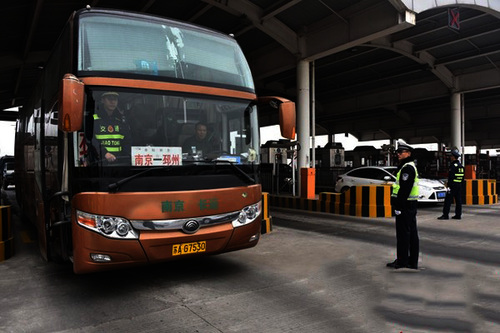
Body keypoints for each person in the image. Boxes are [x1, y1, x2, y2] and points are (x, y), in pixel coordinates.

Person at [387, 142, 419, 270]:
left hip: (405, 206)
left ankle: (402, 261)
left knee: (403, 235)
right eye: (398, 152)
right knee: (411, 234)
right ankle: (412, 261)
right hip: (410, 205)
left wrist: (398, 206)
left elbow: (405, 189)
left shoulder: (407, 168)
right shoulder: (409, 166)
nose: (399, 154)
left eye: (402, 152)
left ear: (409, 153)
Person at [92, 91, 130, 163]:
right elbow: (91, 139)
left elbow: (127, 141)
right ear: (102, 100)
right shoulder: (94, 120)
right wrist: (104, 153)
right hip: (99, 163)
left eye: (115, 99)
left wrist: (126, 159)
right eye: (109, 99)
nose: (112, 102)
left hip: (119, 162)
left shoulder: (120, 121)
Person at [438, 148, 465, 220]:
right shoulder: (461, 166)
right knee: (458, 200)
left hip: (453, 186)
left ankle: (445, 215)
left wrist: (448, 185)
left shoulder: (453, 166)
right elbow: (462, 178)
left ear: (453, 157)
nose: (450, 157)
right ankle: (458, 215)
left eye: (451, 156)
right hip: (459, 185)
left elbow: (451, 177)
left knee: (448, 201)